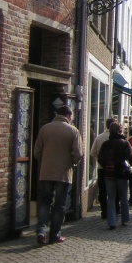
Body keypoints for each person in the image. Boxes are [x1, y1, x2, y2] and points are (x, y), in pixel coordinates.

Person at [34, 105, 83, 244]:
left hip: (46, 172)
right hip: (63, 173)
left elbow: (37, 151)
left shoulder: (45, 129)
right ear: (68, 116)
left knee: (45, 202)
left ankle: (41, 231)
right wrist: (72, 162)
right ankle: (55, 234)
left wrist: (45, 162)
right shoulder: (73, 131)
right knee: (60, 205)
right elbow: (78, 153)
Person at [98, 122, 132, 230]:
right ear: (120, 130)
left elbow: (100, 158)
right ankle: (125, 219)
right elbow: (131, 157)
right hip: (122, 173)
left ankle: (112, 222)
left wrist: (106, 166)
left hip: (109, 173)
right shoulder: (125, 143)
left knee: (111, 197)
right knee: (123, 196)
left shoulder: (106, 144)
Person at [90, 117, 120, 219]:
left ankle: (104, 211)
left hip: (102, 168)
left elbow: (93, 152)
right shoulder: (120, 138)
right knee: (115, 189)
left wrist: (99, 158)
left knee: (103, 190)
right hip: (115, 167)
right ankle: (115, 209)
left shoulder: (99, 137)